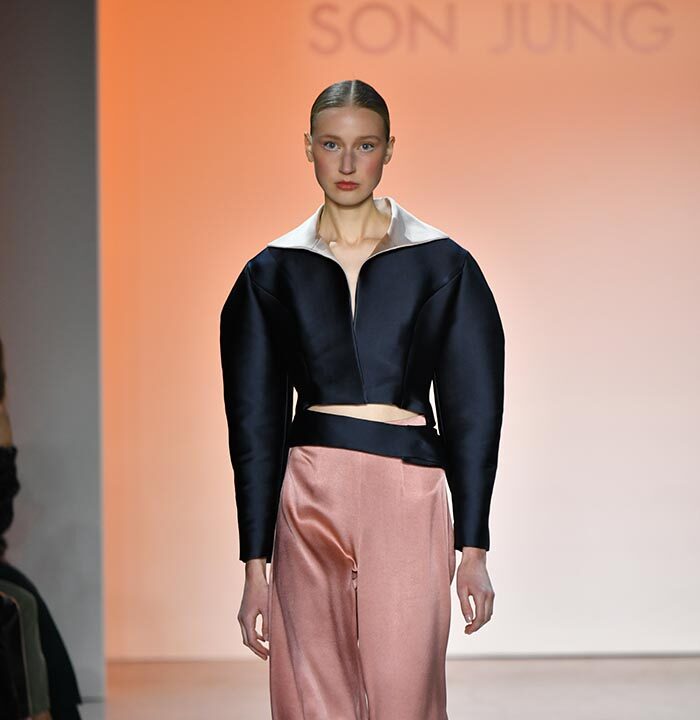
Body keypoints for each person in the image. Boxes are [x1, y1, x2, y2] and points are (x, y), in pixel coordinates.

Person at [219, 79, 505, 719]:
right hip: (307, 492)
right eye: (331, 145)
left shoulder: (442, 264)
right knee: (312, 700)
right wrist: (254, 569)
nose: (347, 163)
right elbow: (254, 428)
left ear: (389, 149)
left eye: (365, 145)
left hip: (407, 491)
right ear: (308, 148)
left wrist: (474, 549)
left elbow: (474, 412)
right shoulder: (271, 271)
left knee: (405, 698)